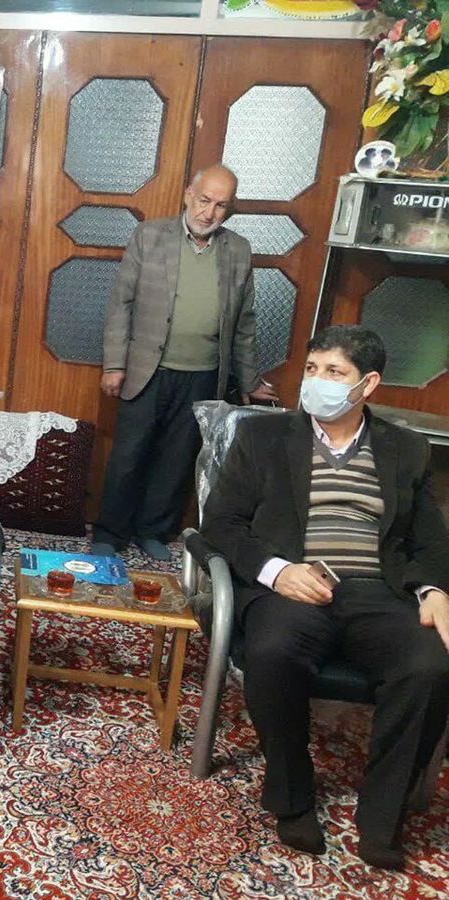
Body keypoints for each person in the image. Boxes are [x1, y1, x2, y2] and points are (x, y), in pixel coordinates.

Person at [201, 325, 449, 870]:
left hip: (377, 592)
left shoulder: (405, 449)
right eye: (312, 369)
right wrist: (276, 572)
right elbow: (220, 523)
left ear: (368, 384)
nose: (316, 382)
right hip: (293, 584)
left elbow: (431, 540)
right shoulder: (263, 437)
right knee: (272, 652)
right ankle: (292, 795)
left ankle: (382, 816)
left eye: (334, 372)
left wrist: (434, 590)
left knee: (429, 667)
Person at [93, 164, 278, 561]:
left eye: (220, 206)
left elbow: (244, 322)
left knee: (176, 460)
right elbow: (121, 303)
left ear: (229, 210)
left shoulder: (238, 250)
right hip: (146, 370)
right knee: (128, 456)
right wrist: (114, 365)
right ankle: (109, 533)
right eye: (204, 200)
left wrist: (250, 379)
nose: (208, 213)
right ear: (188, 195)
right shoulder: (150, 235)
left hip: (203, 374)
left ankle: (153, 531)